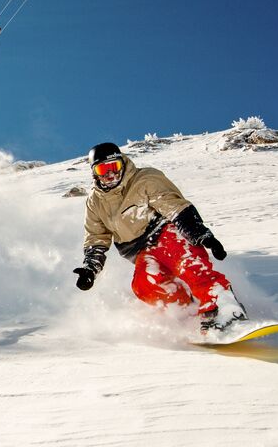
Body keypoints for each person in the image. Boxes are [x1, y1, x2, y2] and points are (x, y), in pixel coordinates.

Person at [72, 142, 248, 332]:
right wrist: (90, 269)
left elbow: (174, 206)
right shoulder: (95, 202)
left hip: (166, 232)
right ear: (94, 173)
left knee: (188, 264)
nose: (110, 174)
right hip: (140, 250)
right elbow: (96, 237)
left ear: (122, 163)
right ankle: (187, 313)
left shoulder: (145, 179)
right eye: (102, 169)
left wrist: (202, 235)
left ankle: (224, 309)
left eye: (113, 166)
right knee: (145, 286)